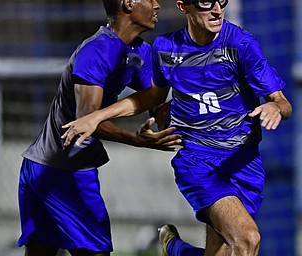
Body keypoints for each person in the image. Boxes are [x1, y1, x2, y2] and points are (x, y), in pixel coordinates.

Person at [61, 0, 293, 255]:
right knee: (247, 238)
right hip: (198, 161)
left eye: (221, 1)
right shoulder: (166, 48)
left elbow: (283, 103)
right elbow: (152, 97)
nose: (217, 10)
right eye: (206, 2)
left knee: (224, 250)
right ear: (185, 7)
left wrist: (275, 108)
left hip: (243, 161)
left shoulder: (242, 44)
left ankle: (174, 248)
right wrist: (96, 117)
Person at [16, 0, 183, 255]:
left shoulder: (139, 51)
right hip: (63, 170)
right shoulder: (96, 51)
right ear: (128, 3)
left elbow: (154, 97)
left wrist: (166, 113)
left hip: (40, 165)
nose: (157, 5)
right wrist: (135, 139)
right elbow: (86, 120)